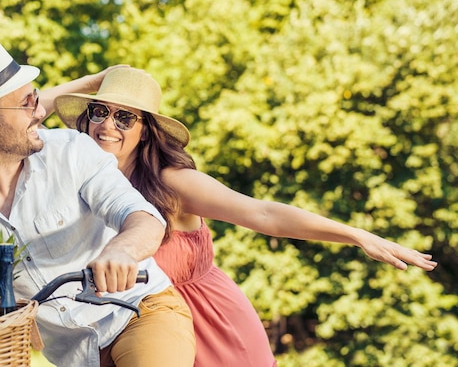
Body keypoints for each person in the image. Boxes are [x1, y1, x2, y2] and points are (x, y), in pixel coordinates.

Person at [53, 67, 439, 367]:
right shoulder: (80, 181)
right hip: (133, 330)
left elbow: (264, 213)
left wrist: (356, 235)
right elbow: (13, 119)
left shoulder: (171, 183)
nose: (107, 125)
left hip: (210, 325)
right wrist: (90, 82)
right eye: (100, 111)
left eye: (125, 118)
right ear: (85, 119)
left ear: (147, 132)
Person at [0, 37, 196, 367]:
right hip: (71, 354)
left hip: (139, 311)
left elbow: (142, 217)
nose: (42, 111)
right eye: (28, 102)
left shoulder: (72, 151)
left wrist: (122, 251)